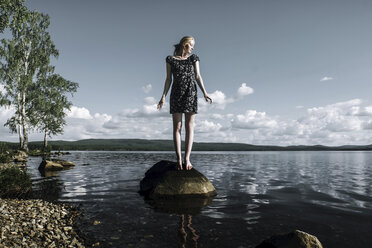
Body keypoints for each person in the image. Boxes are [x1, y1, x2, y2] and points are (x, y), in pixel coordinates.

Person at [157, 36, 212, 171]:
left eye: (193, 46)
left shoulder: (194, 58)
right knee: (177, 127)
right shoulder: (170, 59)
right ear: (184, 44)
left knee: (189, 126)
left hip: (190, 92)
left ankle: (187, 158)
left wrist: (205, 92)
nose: (193, 48)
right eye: (191, 45)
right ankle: (179, 159)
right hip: (176, 93)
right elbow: (168, 79)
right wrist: (163, 96)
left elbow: (198, 76)